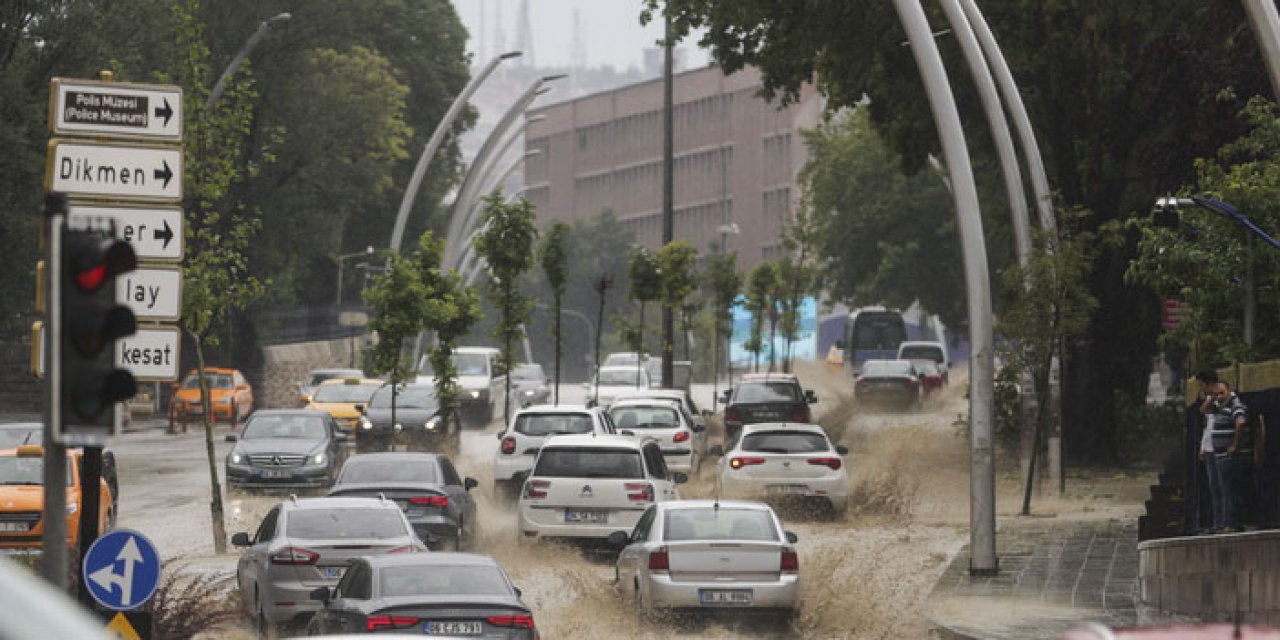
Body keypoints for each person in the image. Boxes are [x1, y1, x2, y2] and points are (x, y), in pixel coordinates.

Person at [1206, 380, 1251, 533]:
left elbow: (1240, 422)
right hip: (1219, 455)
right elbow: (1203, 410)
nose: (1219, 396)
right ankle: (1230, 522)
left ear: (1229, 391)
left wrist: (1234, 445)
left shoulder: (1235, 404)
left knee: (1228, 490)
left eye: (1221, 393)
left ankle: (1230, 523)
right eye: (1216, 393)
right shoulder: (1219, 405)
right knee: (1225, 489)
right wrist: (1212, 398)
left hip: (1228, 455)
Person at [1195, 370, 1223, 533]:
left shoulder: (1220, 398)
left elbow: (1204, 410)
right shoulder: (1209, 399)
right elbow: (1208, 424)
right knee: (1214, 486)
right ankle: (1217, 520)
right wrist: (1203, 447)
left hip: (1219, 446)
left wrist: (1213, 396)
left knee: (1221, 486)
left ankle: (1222, 521)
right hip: (1210, 446)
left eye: (1202, 385)